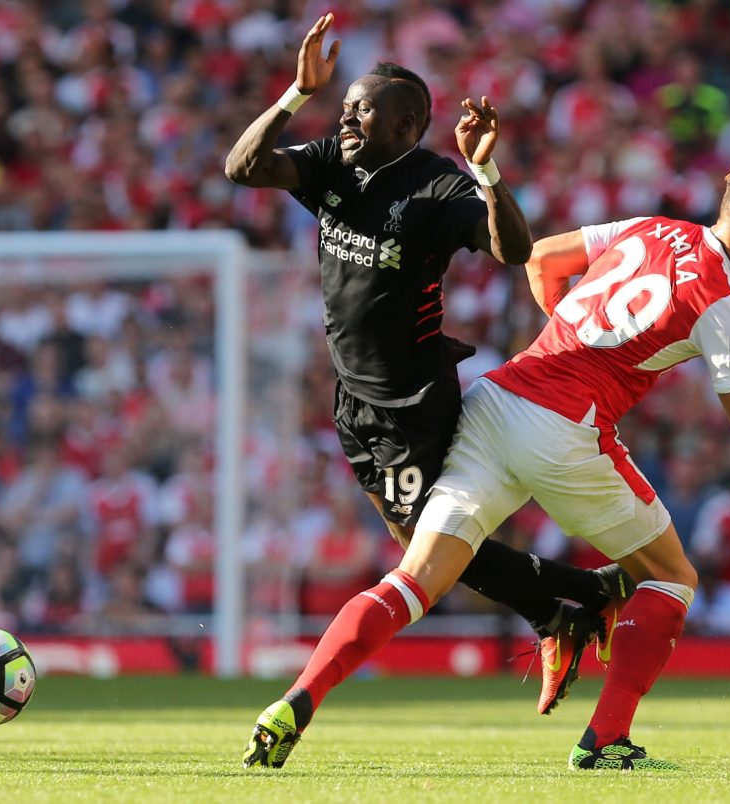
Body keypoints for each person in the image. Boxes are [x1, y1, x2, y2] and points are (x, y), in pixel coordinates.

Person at [242, 155, 730, 770]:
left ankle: (295, 700)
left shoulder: (653, 227)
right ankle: (606, 739)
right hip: (565, 431)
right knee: (671, 576)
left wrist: (572, 334)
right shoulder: (723, 303)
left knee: (414, 580)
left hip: (498, 398)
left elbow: (542, 257)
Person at [226, 11, 629, 756]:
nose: (345, 114)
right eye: (343, 104)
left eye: (362, 106)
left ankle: (583, 594)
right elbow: (242, 168)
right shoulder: (330, 165)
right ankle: (563, 609)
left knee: (425, 554)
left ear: (407, 122)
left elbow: (514, 250)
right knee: (417, 540)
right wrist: (293, 93)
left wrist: (485, 170)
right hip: (352, 397)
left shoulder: (438, 189)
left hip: (411, 403)